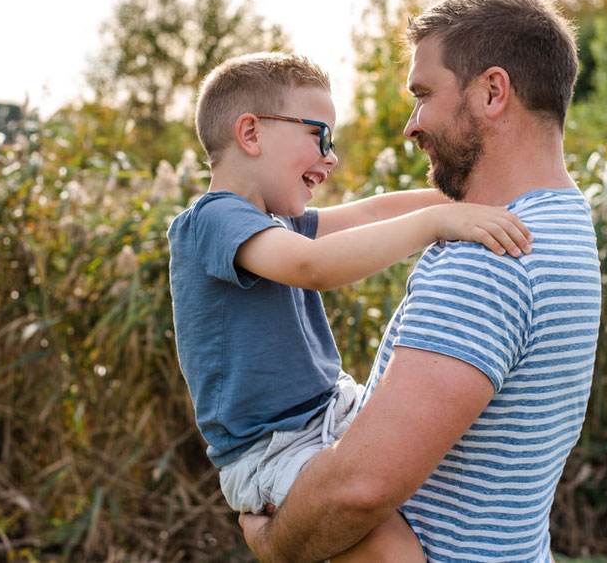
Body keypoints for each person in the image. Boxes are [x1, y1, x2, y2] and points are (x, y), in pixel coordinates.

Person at [239, 0, 602, 563]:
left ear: (492, 91)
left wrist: (272, 544)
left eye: (424, 94)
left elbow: (360, 490)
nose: (412, 125)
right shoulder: (564, 220)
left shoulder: (492, 259)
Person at [167, 52, 535, 561]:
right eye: (319, 135)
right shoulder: (214, 220)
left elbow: (374, 210)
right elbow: (313, 267)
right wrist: (437, 225)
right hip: (271, 448)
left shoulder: (278, 222)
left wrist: (477, 200)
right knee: (391, 549)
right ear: (250, 134)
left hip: (329, 413)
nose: (331, 156)